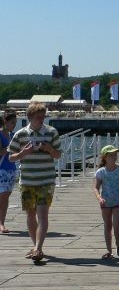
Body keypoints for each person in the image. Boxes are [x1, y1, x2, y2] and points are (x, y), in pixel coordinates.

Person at [7, 101, 62, 262]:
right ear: (30, 117)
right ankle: (37, 246)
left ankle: (37, 248)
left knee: (42, 214)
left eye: (43, 116)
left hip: (46, 180)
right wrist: (24, 153)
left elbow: (58, 155)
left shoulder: (51, 132)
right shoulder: (21, 134)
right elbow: (10, 157)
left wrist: (49, 149)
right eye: (39, 117)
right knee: (30, 214)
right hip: (27, 181)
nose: (42, 119)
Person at [93, 145, 119, 259]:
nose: (114, 157)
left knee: (116, 224)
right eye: (111, 155)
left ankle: (118, 243)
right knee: (107, 225)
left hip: (118, 201)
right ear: (104, 157)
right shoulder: (101, 172)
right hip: (105, 202)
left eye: (115, 155)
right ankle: (108, 250)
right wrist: (99, 198)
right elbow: (96, 188)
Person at [0, 109, 19, 234]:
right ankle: (1, 224)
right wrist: (8, 147)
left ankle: (2, 221)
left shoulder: (13, 136)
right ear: (5, 122)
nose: (14, 125)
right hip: (1, 169)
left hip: (11, 168)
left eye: (15, 123)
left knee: (5, 197)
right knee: (3, 196)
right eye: (12, 123)